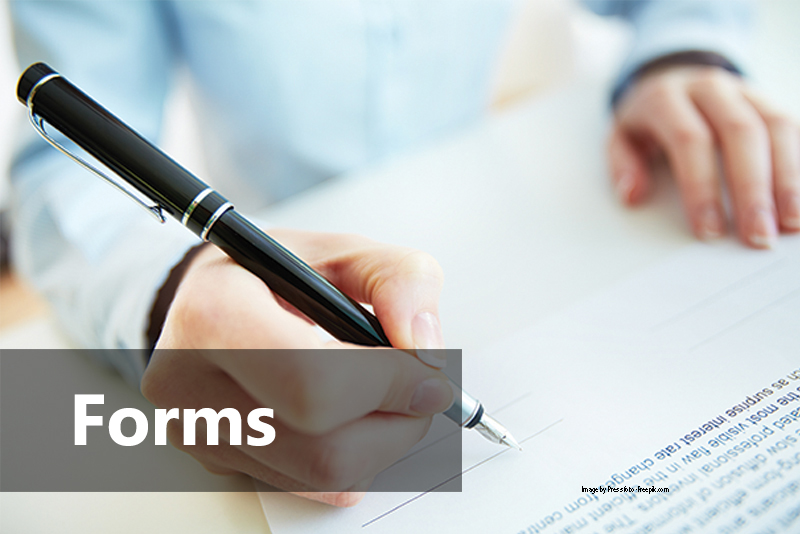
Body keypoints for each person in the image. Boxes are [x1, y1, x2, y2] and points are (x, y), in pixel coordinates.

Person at [8, 0, 798, 506]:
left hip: (511, 210)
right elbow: (59, 180)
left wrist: (679, 50)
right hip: (268, 257)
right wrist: (172, 288)